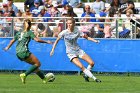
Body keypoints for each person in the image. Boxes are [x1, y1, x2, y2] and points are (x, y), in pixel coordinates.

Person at [50, 17, 101, 82]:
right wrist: (52, 50)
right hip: (70, 53)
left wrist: (95, 40)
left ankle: (86, 75)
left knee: (92, 63)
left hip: (78, 50)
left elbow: (86, 37)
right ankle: (95, 79)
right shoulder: (64, 32)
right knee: (81, 66)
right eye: (68, 23)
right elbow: (56, 41)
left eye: (70, 23)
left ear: (74, 24)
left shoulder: (77, 30)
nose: (68, 25)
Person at [4, 19, 53, 84]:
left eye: (28, 23)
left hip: (18, 53)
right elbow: (37, 40)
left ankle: (44, 78)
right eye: (28, 24)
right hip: (24, 52)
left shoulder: (19, 33)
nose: (28, 25)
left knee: (34, 66)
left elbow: (12, 41)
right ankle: (24, 74)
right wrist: (47, 42)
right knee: (38, 64)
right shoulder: (29, 32)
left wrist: (7, 47)